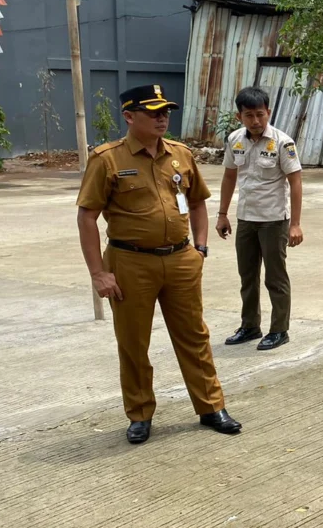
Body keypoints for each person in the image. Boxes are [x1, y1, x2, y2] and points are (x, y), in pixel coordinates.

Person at [76, 84, 241, 444]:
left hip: (180, 259)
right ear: (129, 116)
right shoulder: (107, 160)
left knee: (195, 336)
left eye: (165, 110)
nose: (162, 117)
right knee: (134, 342)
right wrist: (98, 273)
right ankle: (139, 414)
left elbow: (197, 202)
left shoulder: (181, 155)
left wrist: (200, 248)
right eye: (153, 112)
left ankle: (211, 407)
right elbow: (87, 217)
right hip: (130, 262)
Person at [217, 86, 304, 351]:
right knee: (247, 275)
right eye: (249, 115)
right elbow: (229, 176)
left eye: (260, 115)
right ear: (239, 116)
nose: (255, 121)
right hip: (246, 218)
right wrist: (222, 214)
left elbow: (296, 182)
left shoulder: (282, 142)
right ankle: (250, 326)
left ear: (269, 112)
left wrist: (295, 224)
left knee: (275, 278)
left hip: (274, 220)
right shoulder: (235, 140)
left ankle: (279, 330)